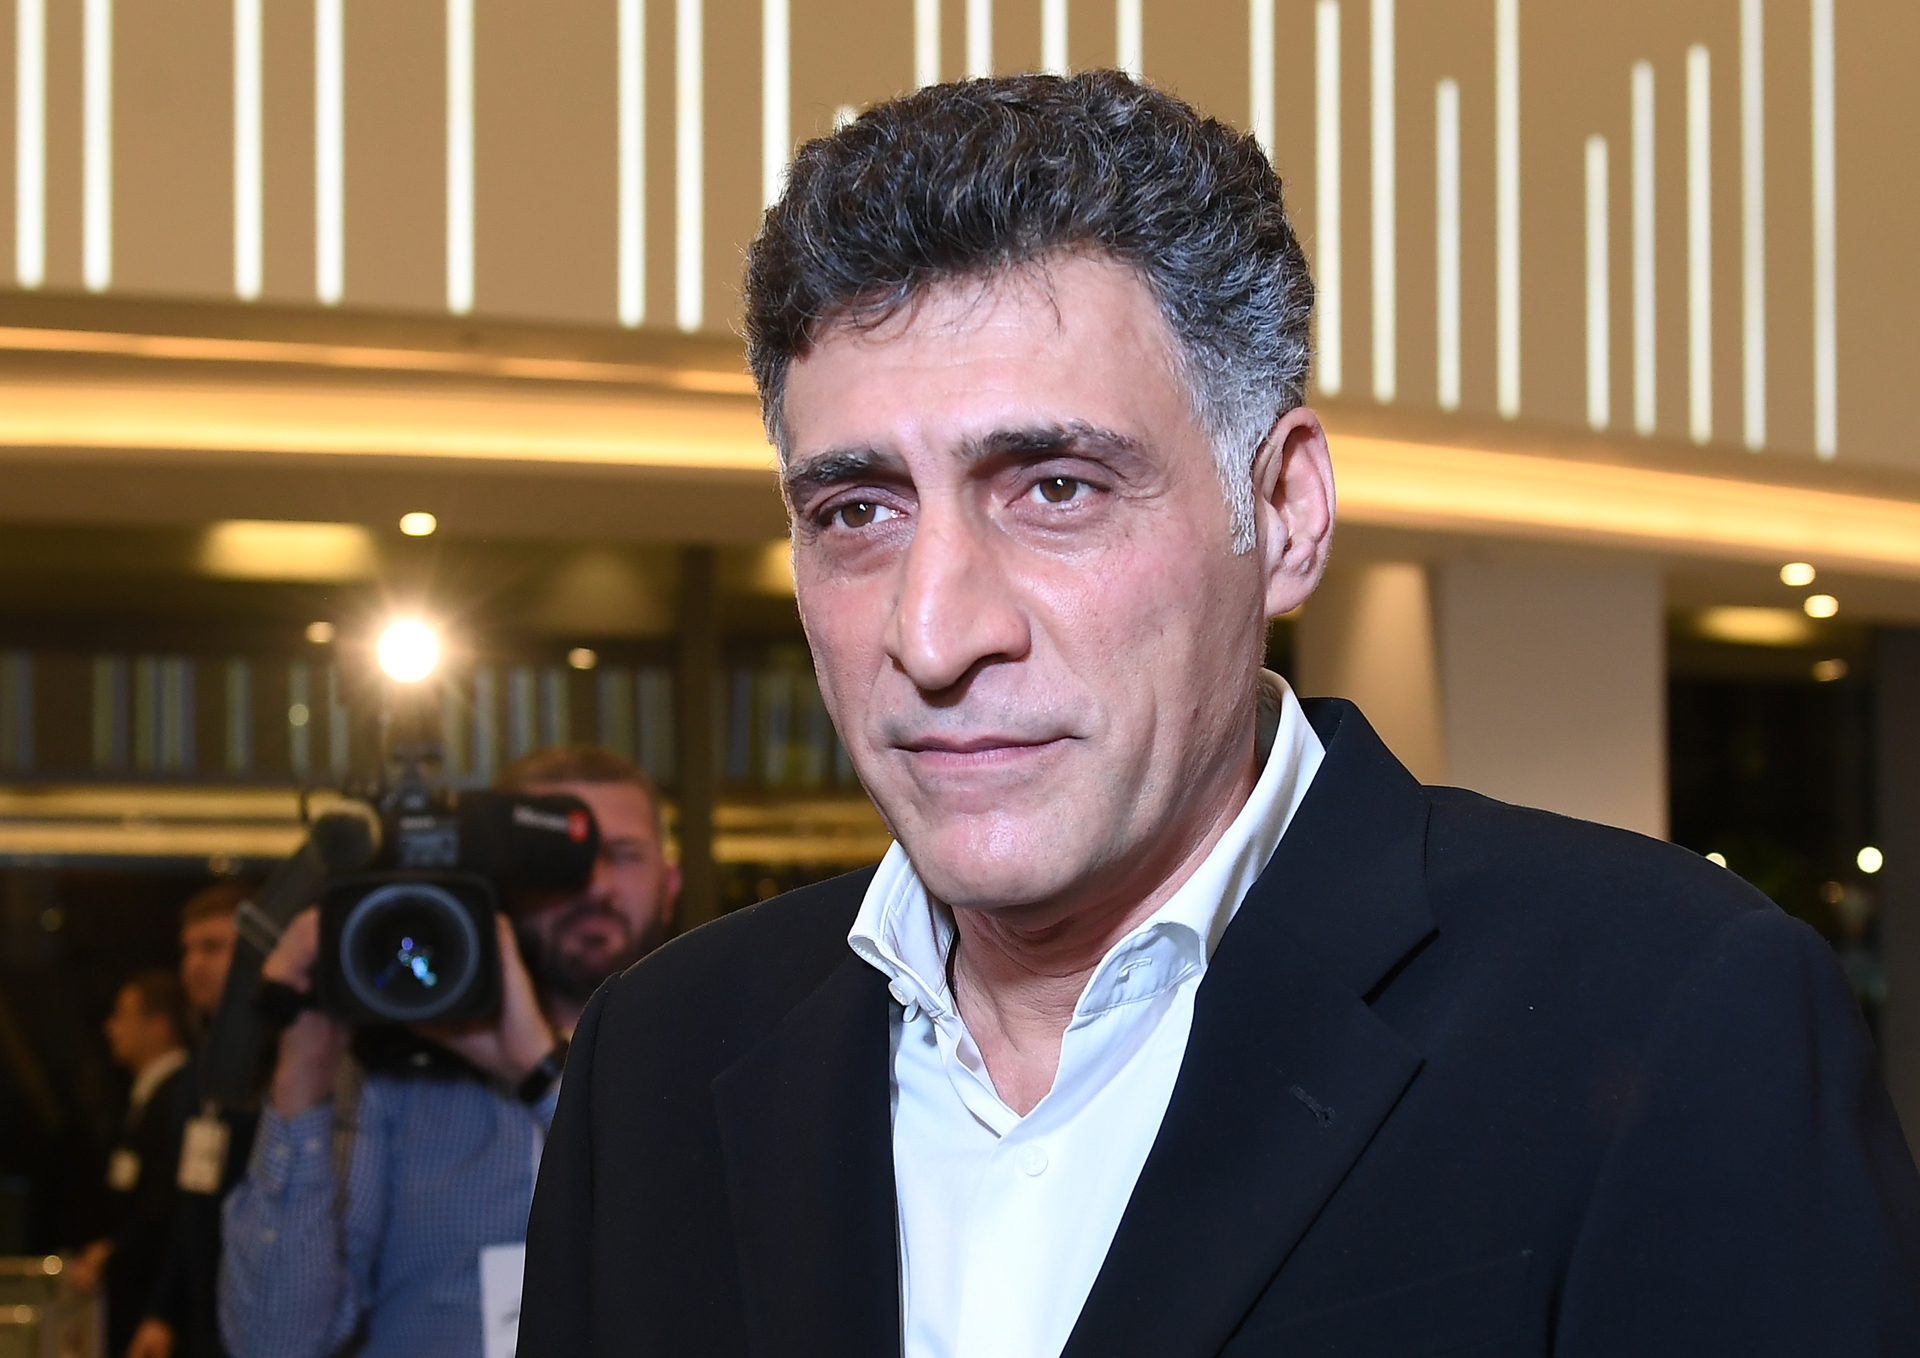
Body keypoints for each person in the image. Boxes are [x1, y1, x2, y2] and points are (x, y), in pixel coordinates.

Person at [519, 71, 1920, 1358]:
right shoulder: (661, 1051)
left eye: (1056, 488)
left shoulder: (1672, 1009)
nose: (933, 634)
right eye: (857, 510)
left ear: (1285, 511)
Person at [220, 746, 679, 1358]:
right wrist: (304, 1072)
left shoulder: (712, 1059)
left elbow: (698, 1262)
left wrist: (542, 1076)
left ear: (671, 884)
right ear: (501, 881)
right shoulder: (390, 1081)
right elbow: (273, 1343)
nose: (593, 885)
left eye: (622, 855)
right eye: (554, 861)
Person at [126, 882, 249, 1358]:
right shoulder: (196, 1071)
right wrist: (163, 1311)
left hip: (268, 1311)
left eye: (213, 948)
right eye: (188, 950)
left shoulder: (289, 1066)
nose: (194, 964)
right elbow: (191, 1204)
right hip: (204, 1318)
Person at [74, 971, 192, 1358]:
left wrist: (116, 1254)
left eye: (122, 1016)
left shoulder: (180, 1096)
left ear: (158, 1026)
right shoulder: (147, 1096)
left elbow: (170, 1207)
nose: (110, 1029)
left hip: (160, 1302)